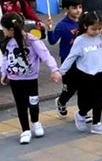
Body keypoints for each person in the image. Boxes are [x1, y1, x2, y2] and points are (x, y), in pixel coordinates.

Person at [0, 12, 62, 144]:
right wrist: (4, 73)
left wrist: (54, 70)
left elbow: (46, 55)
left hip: (31, 79)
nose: (3, 32)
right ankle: (25, 130)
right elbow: (5, 59)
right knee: (21, 105)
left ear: (11, 29)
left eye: (4, 29)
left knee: (33, 102)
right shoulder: (6, 42)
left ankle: (36, 122)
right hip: (15, 80)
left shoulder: (32, 40)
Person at [60, 12, 102, 135]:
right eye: (93, 29)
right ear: (85, 26)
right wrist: (60, 71)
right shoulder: (80, 40)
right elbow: (71, 57)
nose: (97, 31)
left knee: (99, 99)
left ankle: (96, 124)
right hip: (85, 74)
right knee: (86, 101)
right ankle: (81, 114)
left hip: (100, 72)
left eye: (100, 28)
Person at [46, 0, 88, 120]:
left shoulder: (84, 22)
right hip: (68, 61)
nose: (78, 10)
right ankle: (61, 102)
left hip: (82, 59)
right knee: (70, 88)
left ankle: (83, 112)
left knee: (83, 87)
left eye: (80, 7)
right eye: (74, 8)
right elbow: (53, 41)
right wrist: (49, 29)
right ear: (66, 10)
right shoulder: (62, 25)